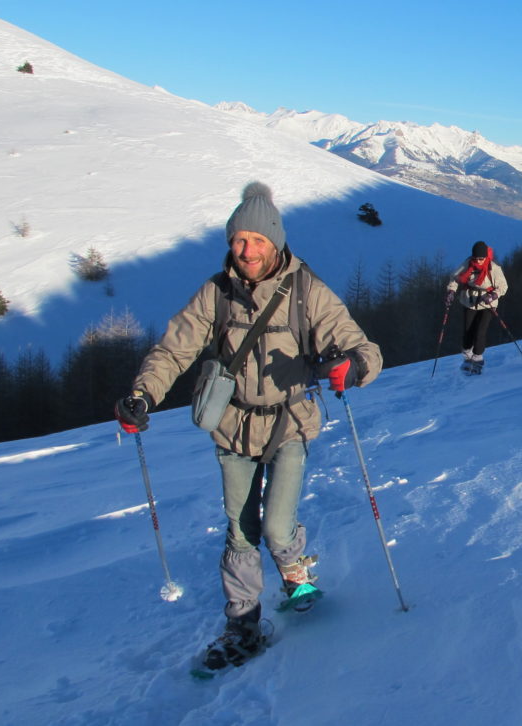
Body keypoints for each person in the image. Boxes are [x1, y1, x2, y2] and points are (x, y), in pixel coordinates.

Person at [113, 182, 382, 670]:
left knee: (277, 525)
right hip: (233, 426)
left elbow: (363, 347)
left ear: (275, 242)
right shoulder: (216, 294)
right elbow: (174, 349)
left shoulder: (306, 291)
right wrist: (142, 394)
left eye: (258, 240)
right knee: (240, 531)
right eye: (239, 240)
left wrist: (353, 366)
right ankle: (243, 624)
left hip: (290, 423)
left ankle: (294, 569)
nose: (247, 250)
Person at [445, 241, 509, 374]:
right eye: (476, 258)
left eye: (481, 258)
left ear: (486, 257)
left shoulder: (493, 268)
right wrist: (451, 292)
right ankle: (468, 357)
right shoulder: (467, 263)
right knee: (468, 330)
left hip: (487, 303)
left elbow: (503, 286)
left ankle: (478, 359)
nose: (478, 261)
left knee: (480, 331)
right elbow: (454, 278)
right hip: (469, 301)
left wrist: (492, 296)